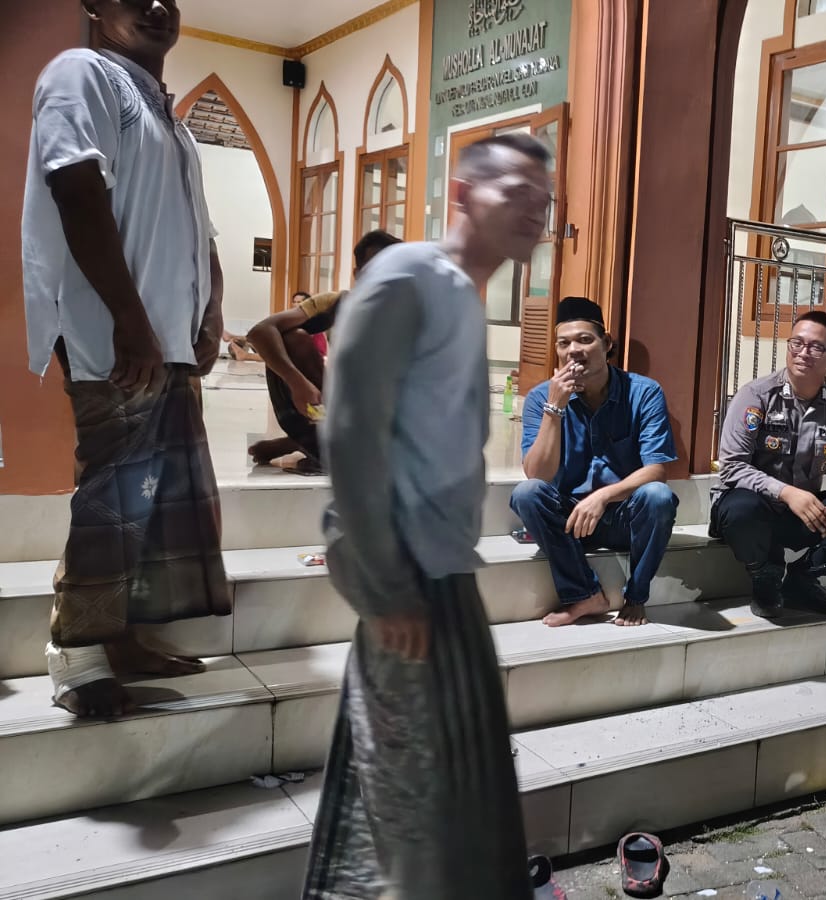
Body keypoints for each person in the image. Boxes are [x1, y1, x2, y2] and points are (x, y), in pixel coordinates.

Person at [300, 132, 553, 899]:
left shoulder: (459, 295)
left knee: (457, 797)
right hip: (406, 576)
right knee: (414, 805)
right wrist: (383, 588)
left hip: (442, 571)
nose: (536, 212)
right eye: (518, 193)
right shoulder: (406, 275)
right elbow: (350, 433)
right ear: (464, 193)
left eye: (545, 200)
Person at [23, 0, 229, 719]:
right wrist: (131, 324)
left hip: (168, 342)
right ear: (95, 6)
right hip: (118, 340)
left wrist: (212, 310)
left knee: (151, 506)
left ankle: (123, 637)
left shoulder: (170, 118)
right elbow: (77, 191)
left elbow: (199, 230)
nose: (156, 7)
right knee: (112, 502)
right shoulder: (83, 73)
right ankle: (75, 654)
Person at [510, 296, 679, 628]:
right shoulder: (541, 397)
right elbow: (537, 475)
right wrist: (555, 409)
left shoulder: (644, 392)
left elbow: (657, 470)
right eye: (564, 343)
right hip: (569, 521)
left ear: (606, 343)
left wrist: (602, 496)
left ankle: (636, 597)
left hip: (624, 517)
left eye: (585, 339)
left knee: (658, 496)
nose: (574, 350)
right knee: (526, 494)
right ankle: (585, 594)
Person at [711, 312, 826, 619]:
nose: (803, 352)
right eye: (797, 343)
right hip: (750, 510)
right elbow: (732, 467)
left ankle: (804, 578)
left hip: (802, 512)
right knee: (742, 509)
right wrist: (787, 493)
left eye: (816, 347)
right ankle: (765, 575)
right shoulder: (755, 396)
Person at [246, 231, 403, 473]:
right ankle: (314, 442)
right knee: (291, 339)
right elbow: (260, 332)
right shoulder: (338, 303)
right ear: (358, 274)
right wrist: (297, 383)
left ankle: (307, 445)